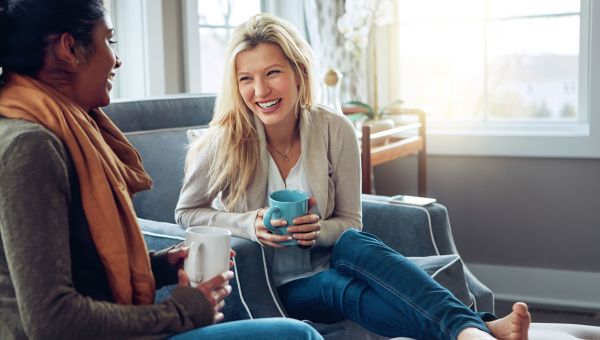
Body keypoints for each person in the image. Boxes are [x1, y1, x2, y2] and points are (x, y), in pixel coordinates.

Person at [176, 13, 532, 340]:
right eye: (246, 79)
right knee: (336, 286)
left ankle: (468, 331)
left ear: (298, 72)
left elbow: (350, 221)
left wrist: (317, 231)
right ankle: (476, 326)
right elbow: (187, 213)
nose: (261, 91)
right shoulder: (224, 139)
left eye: (272, 73)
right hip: (270, 284)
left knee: (353, 244)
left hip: (328, 259)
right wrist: (248, 223)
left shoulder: (335, 128)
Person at [0, 1, 323, 339]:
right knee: (297, 336)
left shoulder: (60, 129)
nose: (117, 59)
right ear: (69, 49)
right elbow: (50, 321)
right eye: (109, 41)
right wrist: (182, 309)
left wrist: (160, 267)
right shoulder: (28, 146)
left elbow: (81, 270)